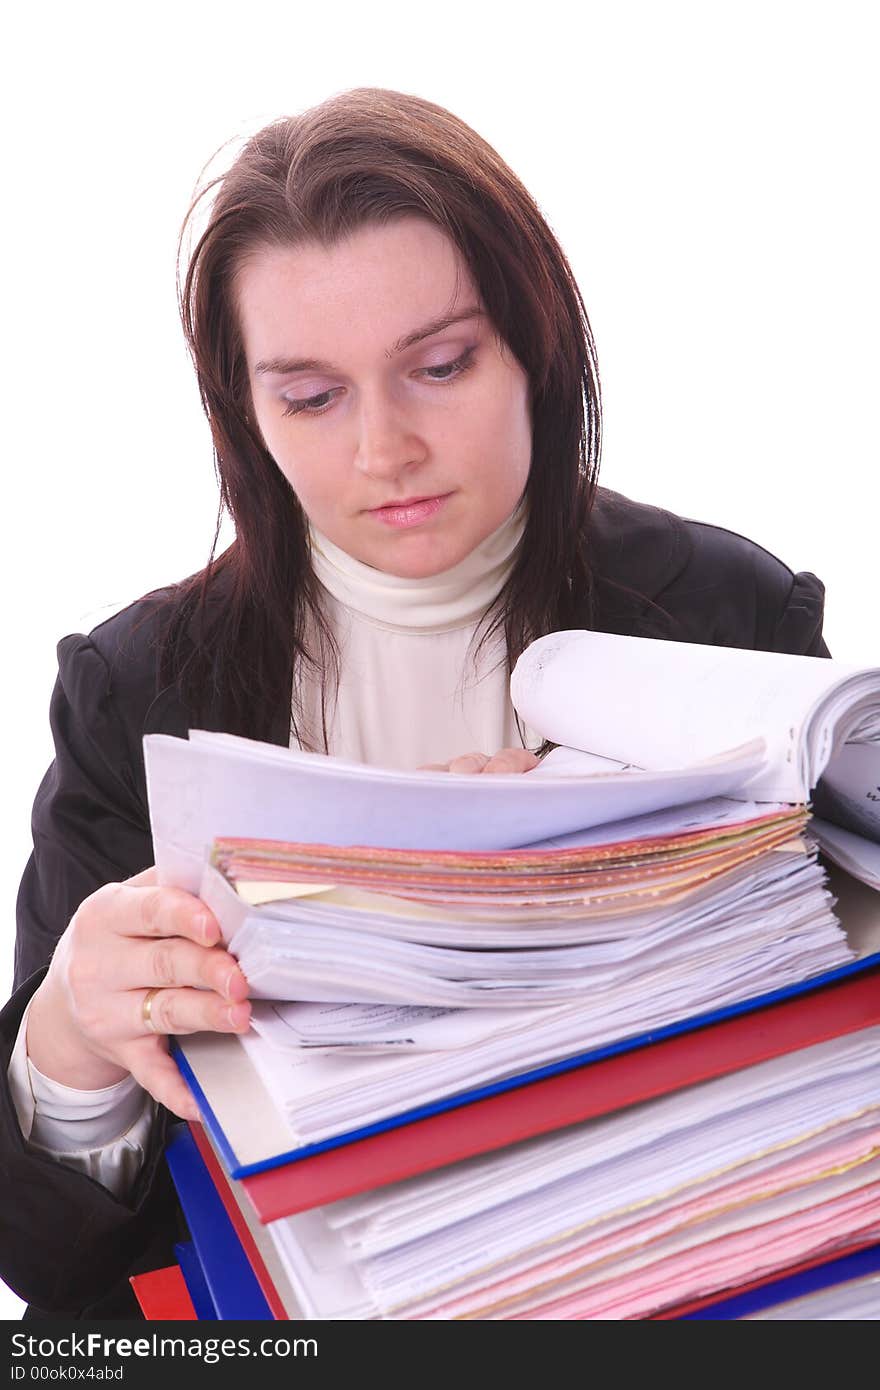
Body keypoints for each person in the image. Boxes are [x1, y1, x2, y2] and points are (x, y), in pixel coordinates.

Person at [0, 87, 829, 1320]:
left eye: (440, 366)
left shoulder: (731, 618)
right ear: (245, 412)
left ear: (536, 347)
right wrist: (68, 1040)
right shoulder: (135, 687)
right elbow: (65, 1288)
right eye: (311, 396)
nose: (384, 449)